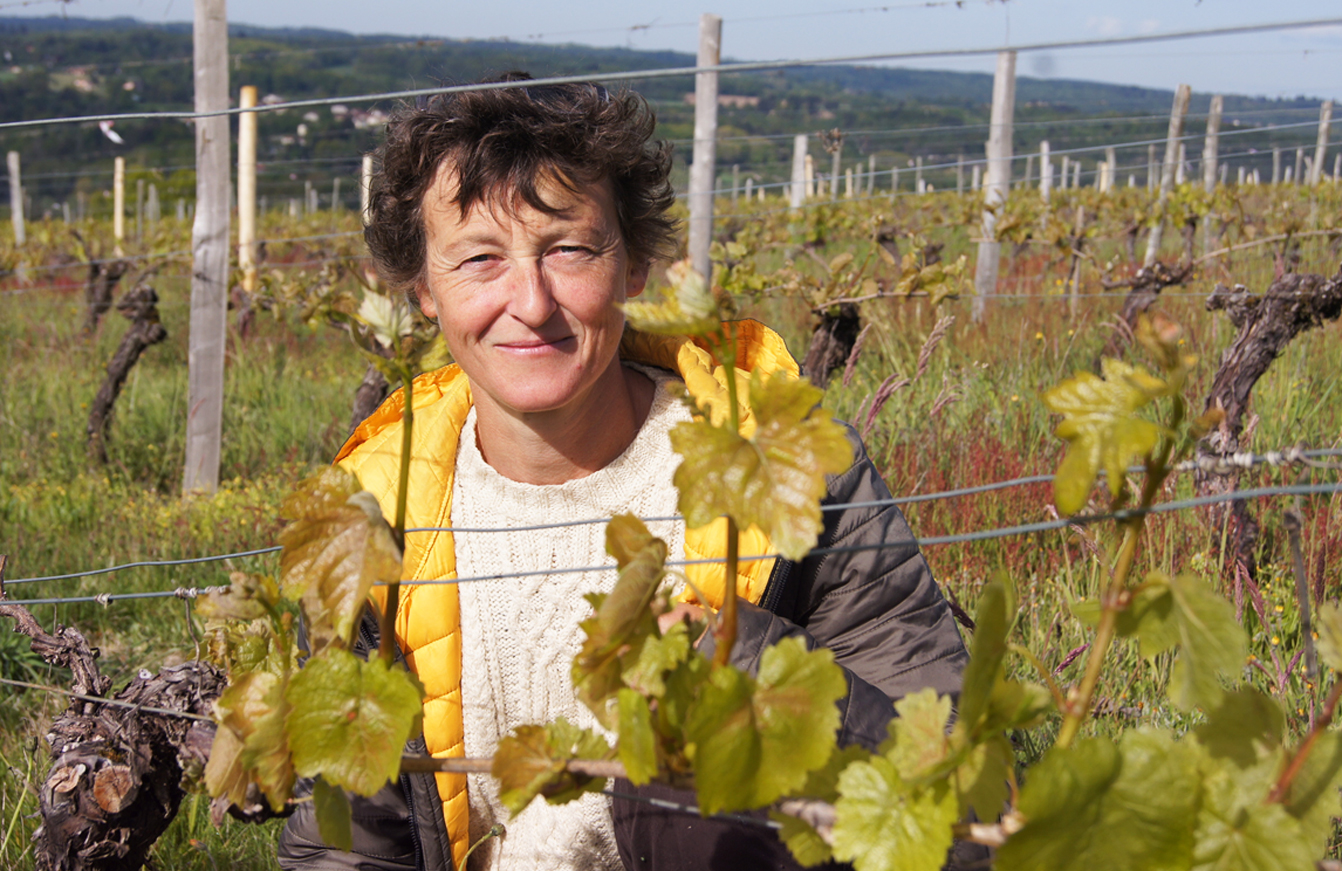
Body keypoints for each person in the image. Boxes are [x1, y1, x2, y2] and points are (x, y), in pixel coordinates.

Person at [277, 73, 970, 871]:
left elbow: (951, 788)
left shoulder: (790, 471)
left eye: (568, 248)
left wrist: (736, 674)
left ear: (634, 266)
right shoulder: (378, 519)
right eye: (478, 259)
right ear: (424, 290)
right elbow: (351, 847)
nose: (530, 302)